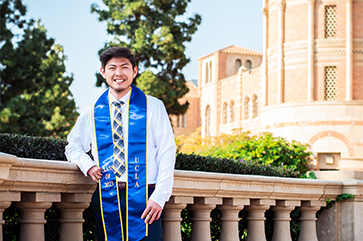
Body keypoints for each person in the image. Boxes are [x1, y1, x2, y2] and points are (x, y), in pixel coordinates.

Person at [65, 46, 176, 241]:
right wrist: (87, 165)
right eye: (112, 68)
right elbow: (72, 146)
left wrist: (160, 196)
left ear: (134, 71)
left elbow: (167, 150)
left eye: (124, 67)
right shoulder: (91, 112)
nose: (118, 73)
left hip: (146, 197)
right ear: (103, 72)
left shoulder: (153, 106)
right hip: (107, 195)